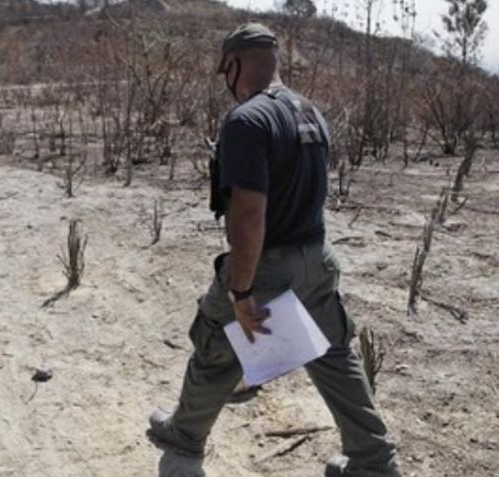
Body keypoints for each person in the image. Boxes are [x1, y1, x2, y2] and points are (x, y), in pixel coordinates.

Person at [146, 23, 402, 477]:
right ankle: (374, 461)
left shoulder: (247, 120)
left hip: (267, 264)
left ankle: (184, 437)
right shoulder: (308, 111)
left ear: (234, 63)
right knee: (335, 355)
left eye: (225, 70)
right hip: (317, 258)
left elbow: (248, 216)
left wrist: (241, 293)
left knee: (217, 342)